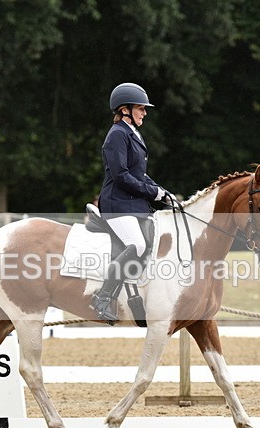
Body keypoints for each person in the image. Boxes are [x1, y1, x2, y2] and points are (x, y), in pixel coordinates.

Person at [90, 82, 172, 323]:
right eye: (140, 108)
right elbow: (121, 176)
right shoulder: (116, 135)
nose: (144, 113)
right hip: (117, 204)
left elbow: (140, 174)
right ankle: (102, 297)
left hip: (132, 204)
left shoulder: (132, 133)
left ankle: (137, 297)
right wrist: (151, 192)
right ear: (124, 109)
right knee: (135, 244)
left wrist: (161, 192)